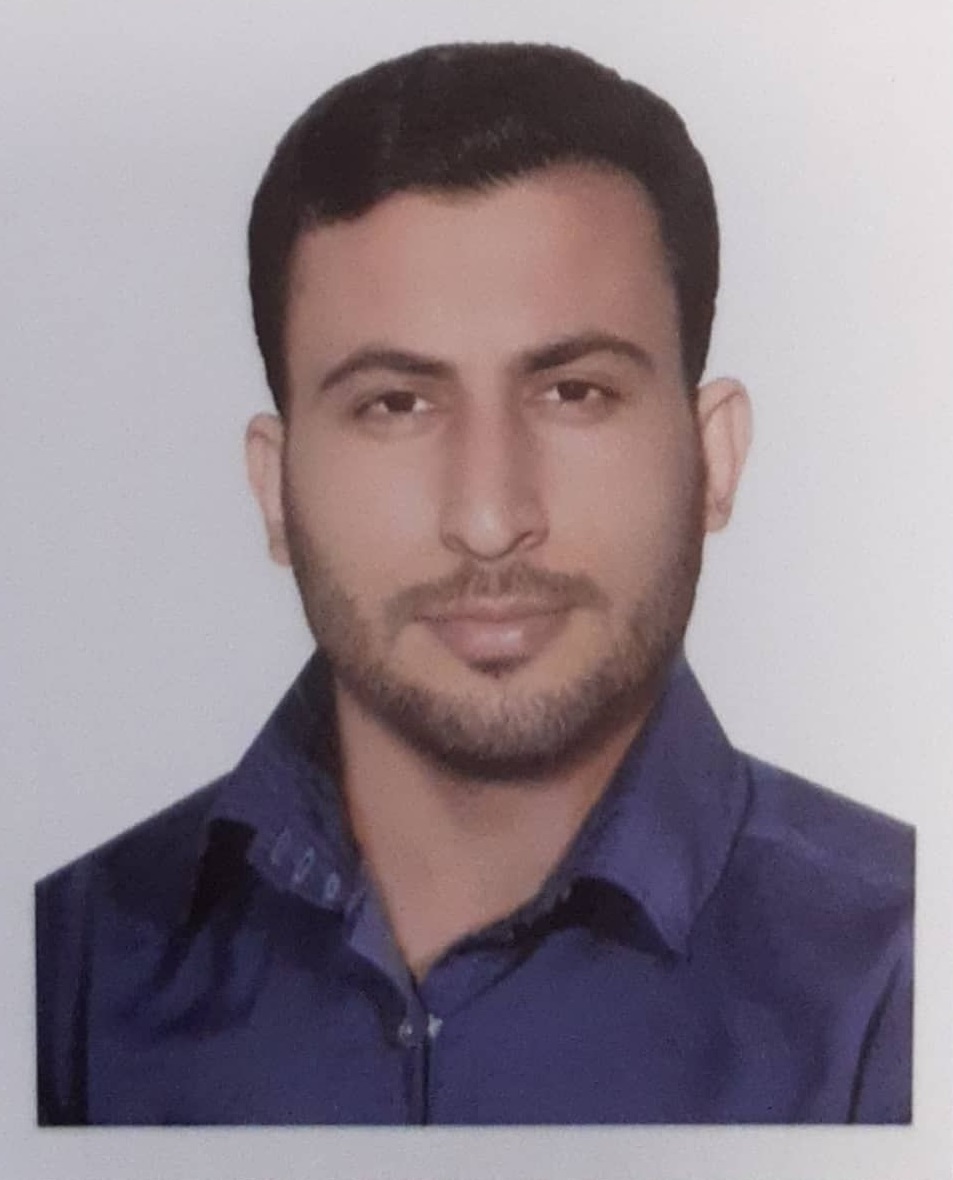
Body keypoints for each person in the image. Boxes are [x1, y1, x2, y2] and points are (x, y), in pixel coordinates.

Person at [34, 41, 914, 1126]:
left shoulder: (902, 976)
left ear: (712, 459)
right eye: (395, 404)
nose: (490, 518)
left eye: (573, 392)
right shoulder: (61, 974)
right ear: (274, 488)